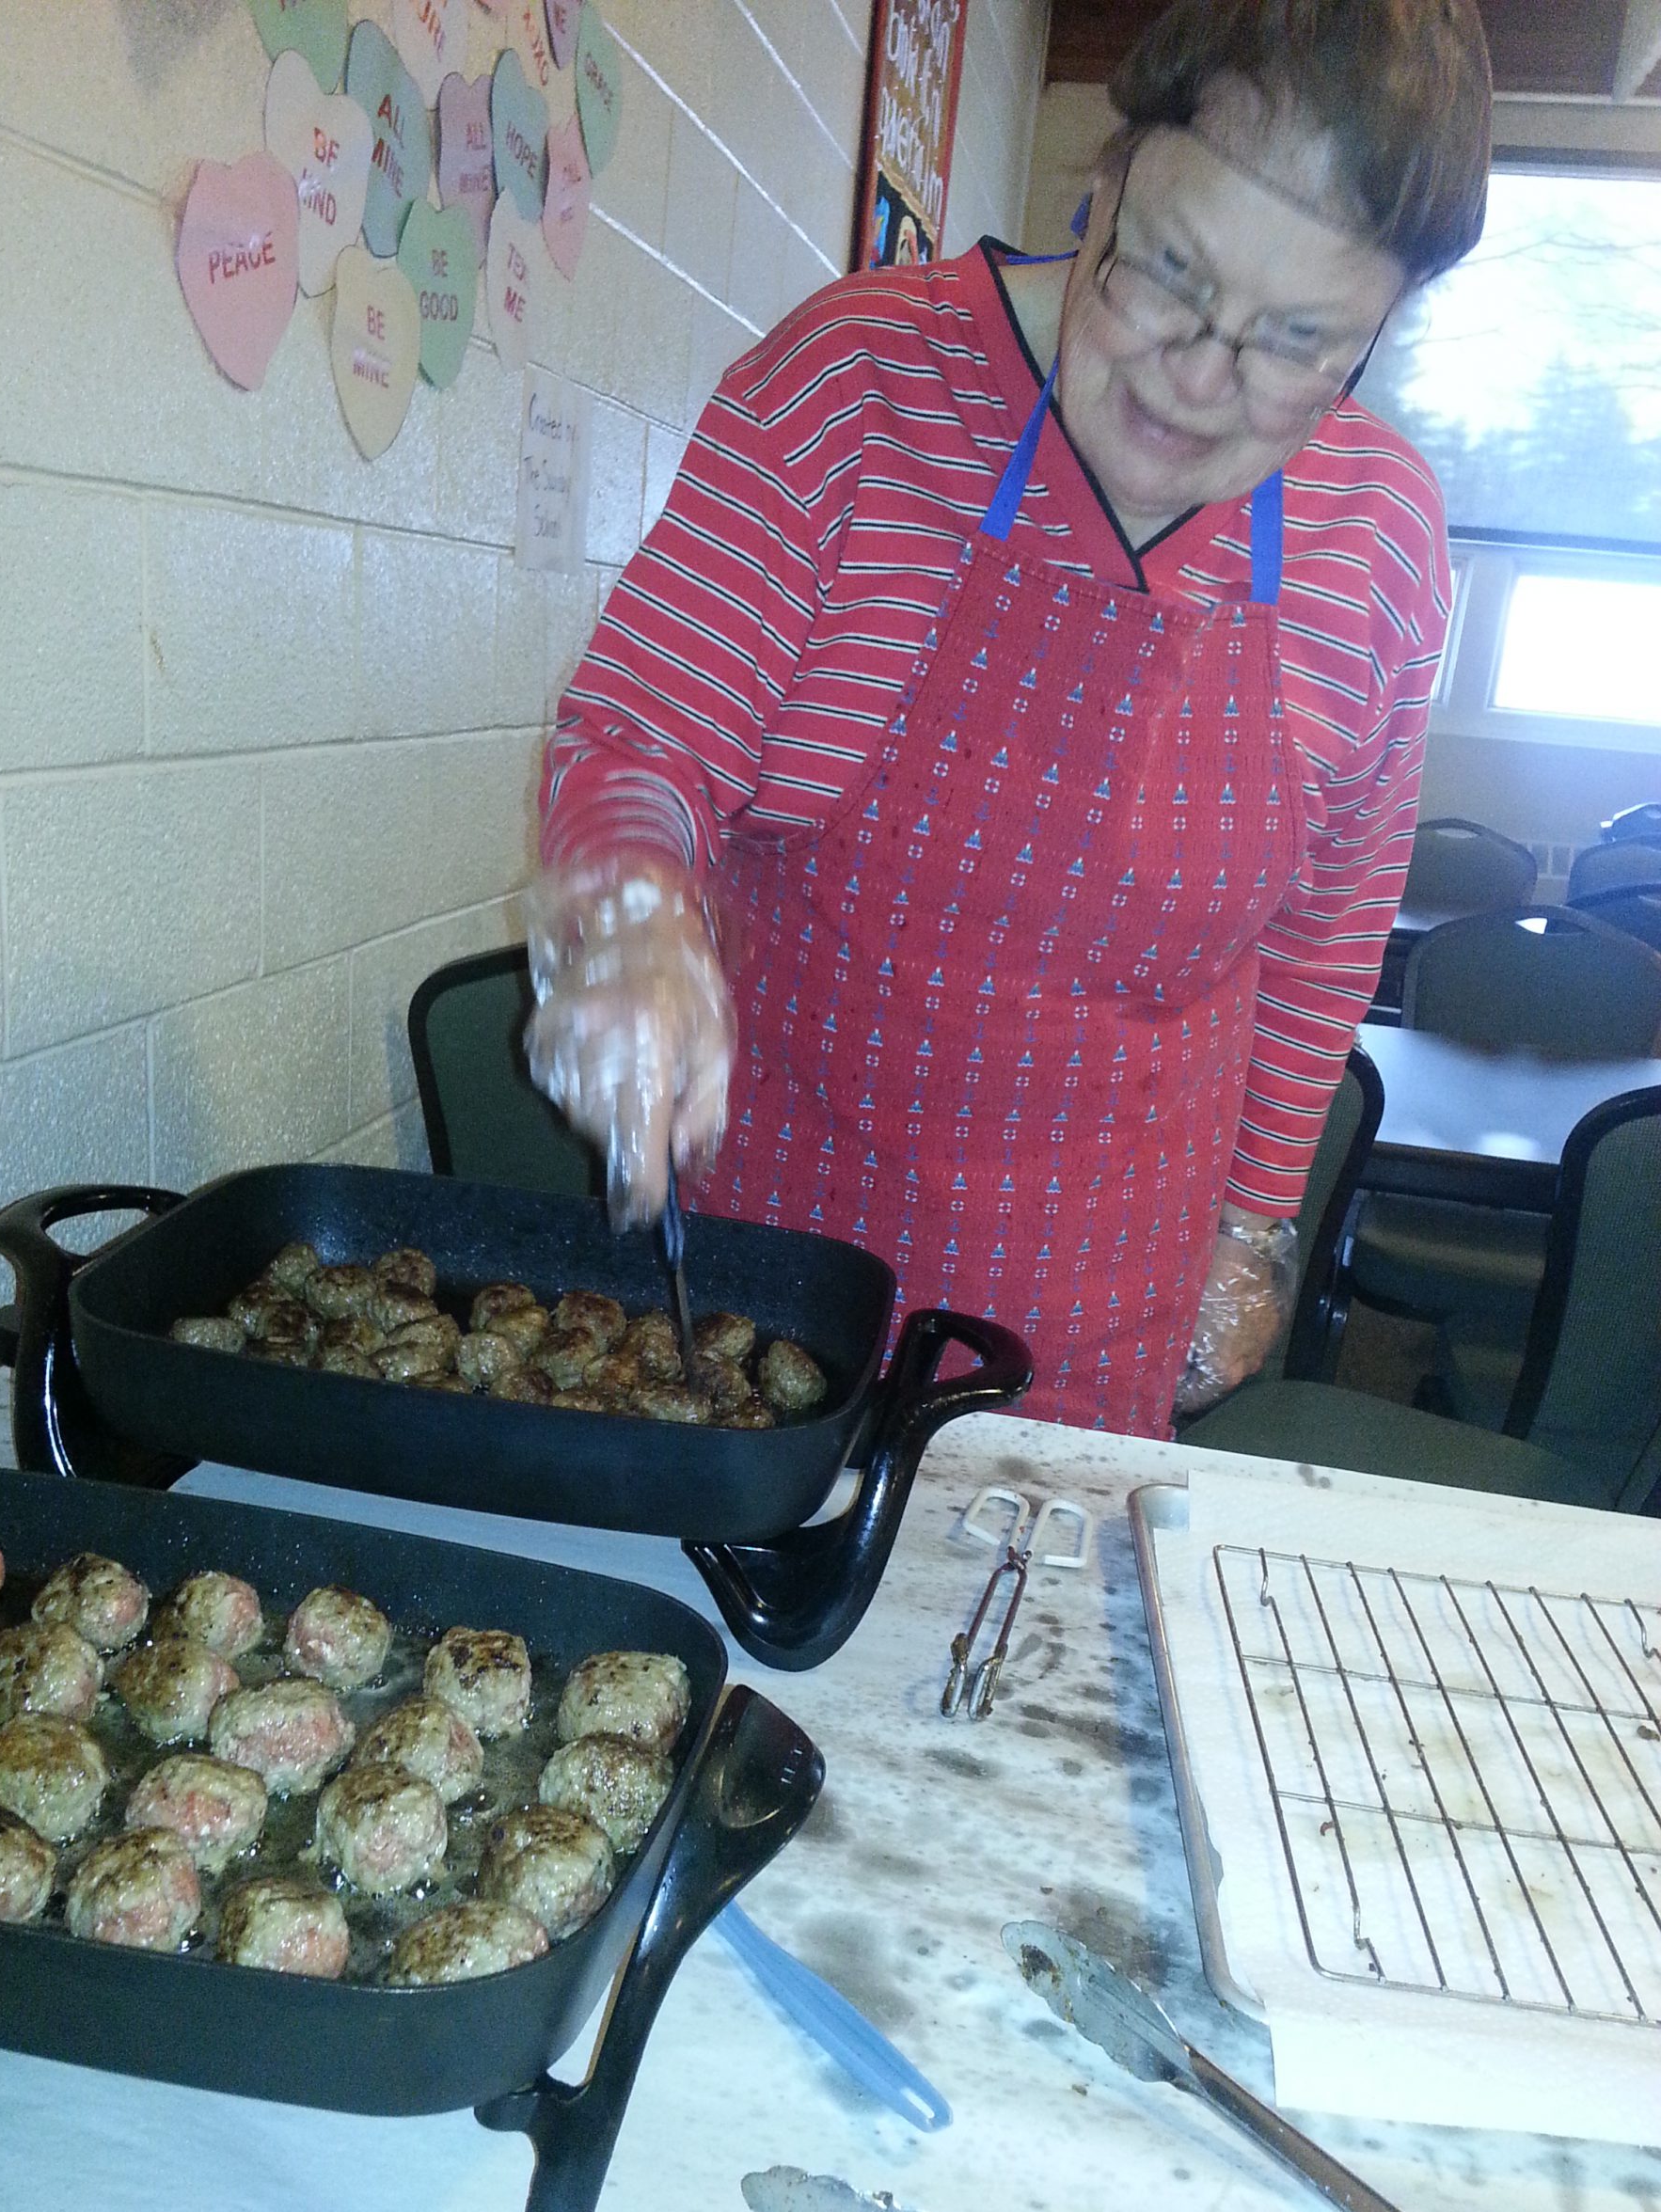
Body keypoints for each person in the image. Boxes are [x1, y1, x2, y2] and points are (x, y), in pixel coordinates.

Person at [525, 0, 1492, 1439]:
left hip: (1100, 1326)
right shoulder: (856, 386)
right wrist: (635, 924)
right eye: (1169, 272)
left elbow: (1324, 932)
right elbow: (641, 742)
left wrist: (1254, 1228)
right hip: (763, 1307)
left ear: (1382, 331)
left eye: (1297, 341)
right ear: (1104, 177)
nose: (1198, 374)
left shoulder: (1379, 534)